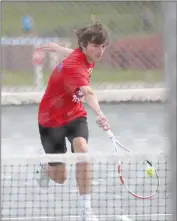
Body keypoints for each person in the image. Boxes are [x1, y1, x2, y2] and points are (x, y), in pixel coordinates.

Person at [34, 21, 110, 221]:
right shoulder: (74, 66)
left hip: (75, 114)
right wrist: (101, 115)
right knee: (60, 178)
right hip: (51, 120)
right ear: (84, 46)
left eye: (103, 46)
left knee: (83, 151)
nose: (100, 51)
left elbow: (73, 53)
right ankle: (45, 165)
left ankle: (86, 210)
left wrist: (58, 49)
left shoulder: (87, 55)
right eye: (96, 46)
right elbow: (88, 92)